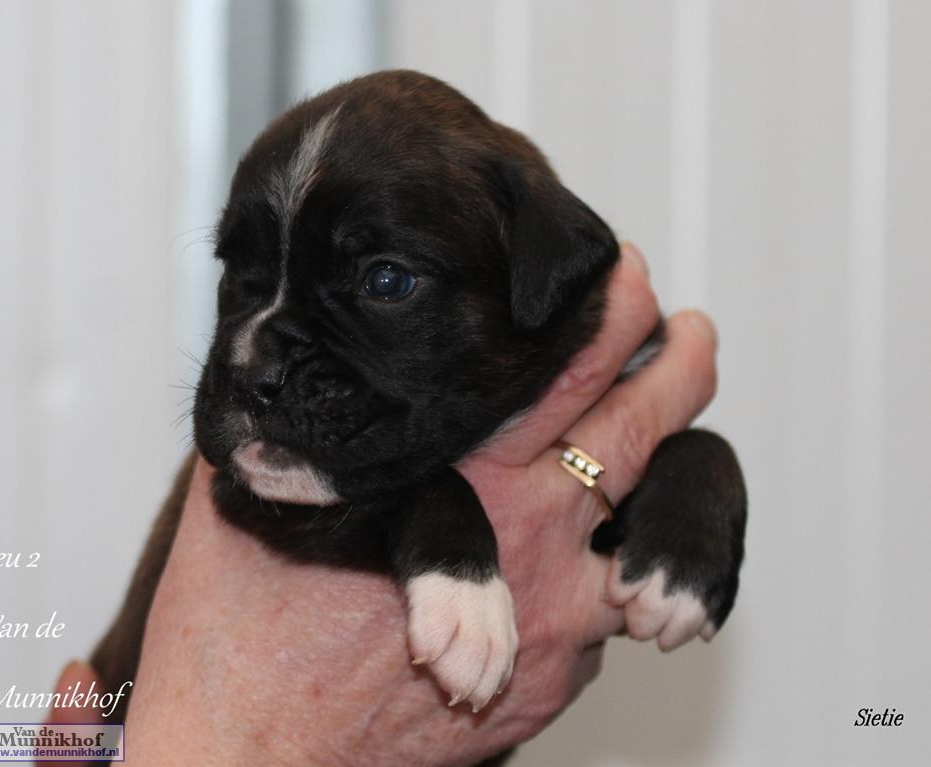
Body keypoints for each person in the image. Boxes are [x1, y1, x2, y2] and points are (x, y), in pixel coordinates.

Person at [47, 243, 720, 766]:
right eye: (241, 279)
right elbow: (254, 502)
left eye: (386, 281)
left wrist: (694, 487)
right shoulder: (277, 444)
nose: (256, 357)